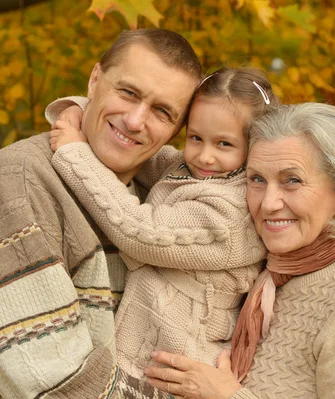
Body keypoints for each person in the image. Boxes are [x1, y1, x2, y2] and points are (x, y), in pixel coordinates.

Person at [141, 102, 335, 398]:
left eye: (291, 181)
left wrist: (228, 396)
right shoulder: (273, 264)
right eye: (257, 179)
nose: (269, 203)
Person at [0, 29, 201, 398]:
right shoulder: (20, 181)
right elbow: (59, 381)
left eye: (162, 111)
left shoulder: (165, 202)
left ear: (177, 129)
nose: (136, 120)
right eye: (128, 93)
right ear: (95, 80)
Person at [43, 68, 275, 378]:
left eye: (224, 144)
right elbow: (134, 146)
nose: (205, 156)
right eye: (195, 137)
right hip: (143, 350)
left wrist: (74, 152)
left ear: (255, 145)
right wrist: (80, 109)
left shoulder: (233, 214)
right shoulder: (189, 169)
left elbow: (138, 230)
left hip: (181, 364)